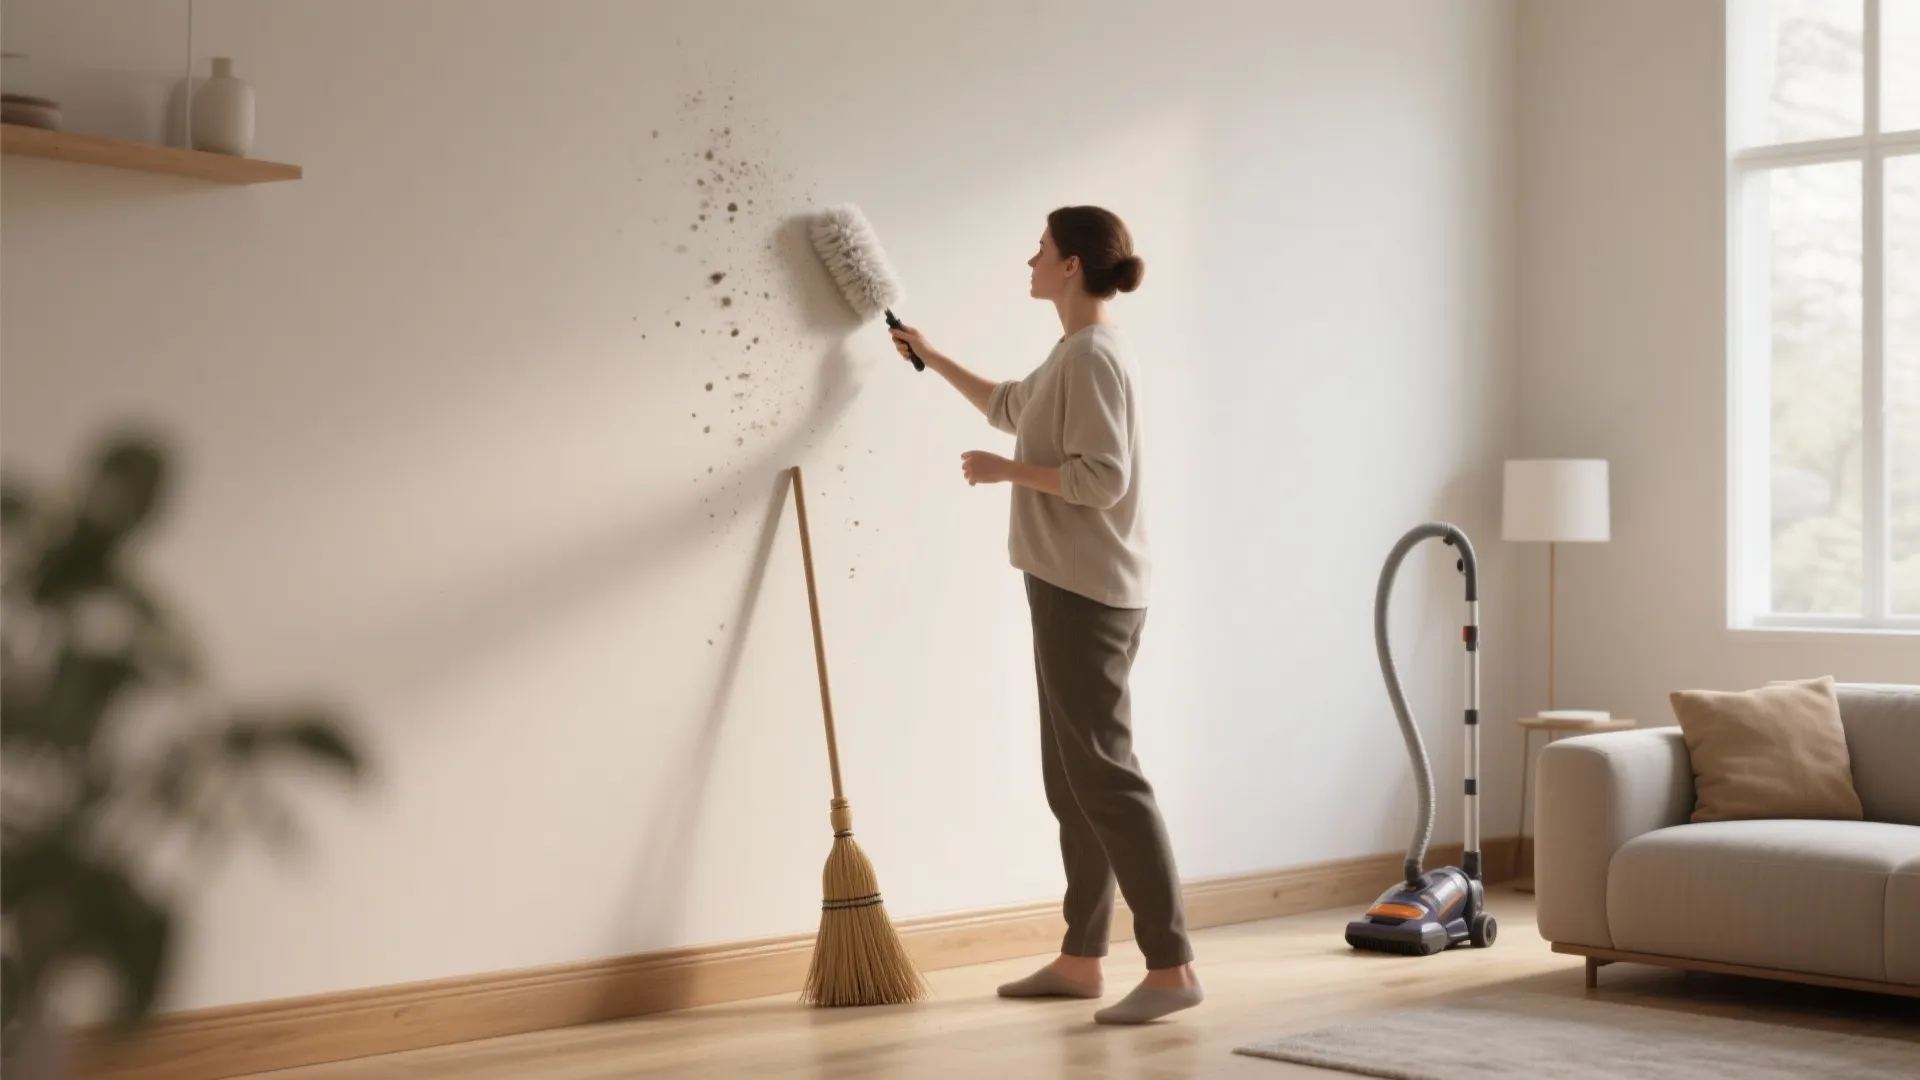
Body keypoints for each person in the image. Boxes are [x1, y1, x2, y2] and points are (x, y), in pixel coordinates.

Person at [889, 206, 1202, 1025]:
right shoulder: (1074, 353)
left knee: (1106, 779)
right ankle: (1082, 957)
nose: (1029, 258)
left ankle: (1172, 969)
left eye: (1041, 248)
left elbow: (1099, 480)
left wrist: (1006, 473)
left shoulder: (1097, 357)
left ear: (1071, 266)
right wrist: (930, 356)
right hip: (1067, 585)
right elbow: (1009, 404)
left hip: (1089, 594)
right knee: (1073, 783)